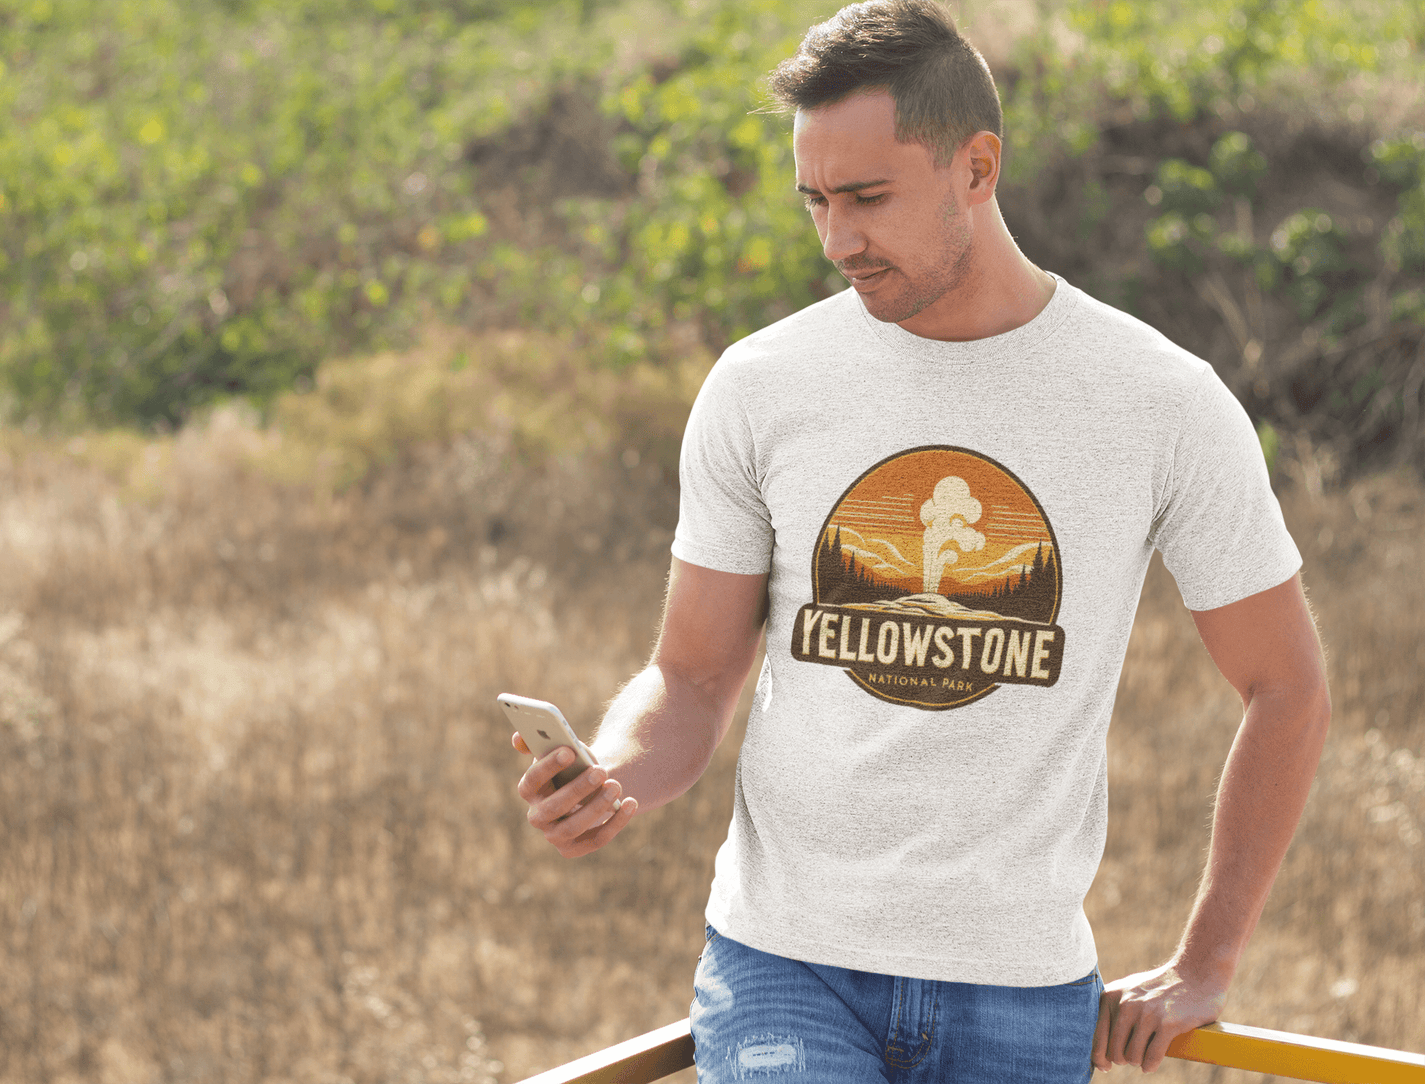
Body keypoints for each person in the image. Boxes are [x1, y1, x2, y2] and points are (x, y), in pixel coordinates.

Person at [511, 1, 1331, 1080]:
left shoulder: (1159, 401)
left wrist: (1204, 962)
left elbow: (1285, 685)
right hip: (784, 965)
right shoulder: (761, 386)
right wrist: (612, 772)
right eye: (814, 201)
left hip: (1021, 990)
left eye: (866, 197)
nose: (836, 240)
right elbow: (693, 674)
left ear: (975, 167)